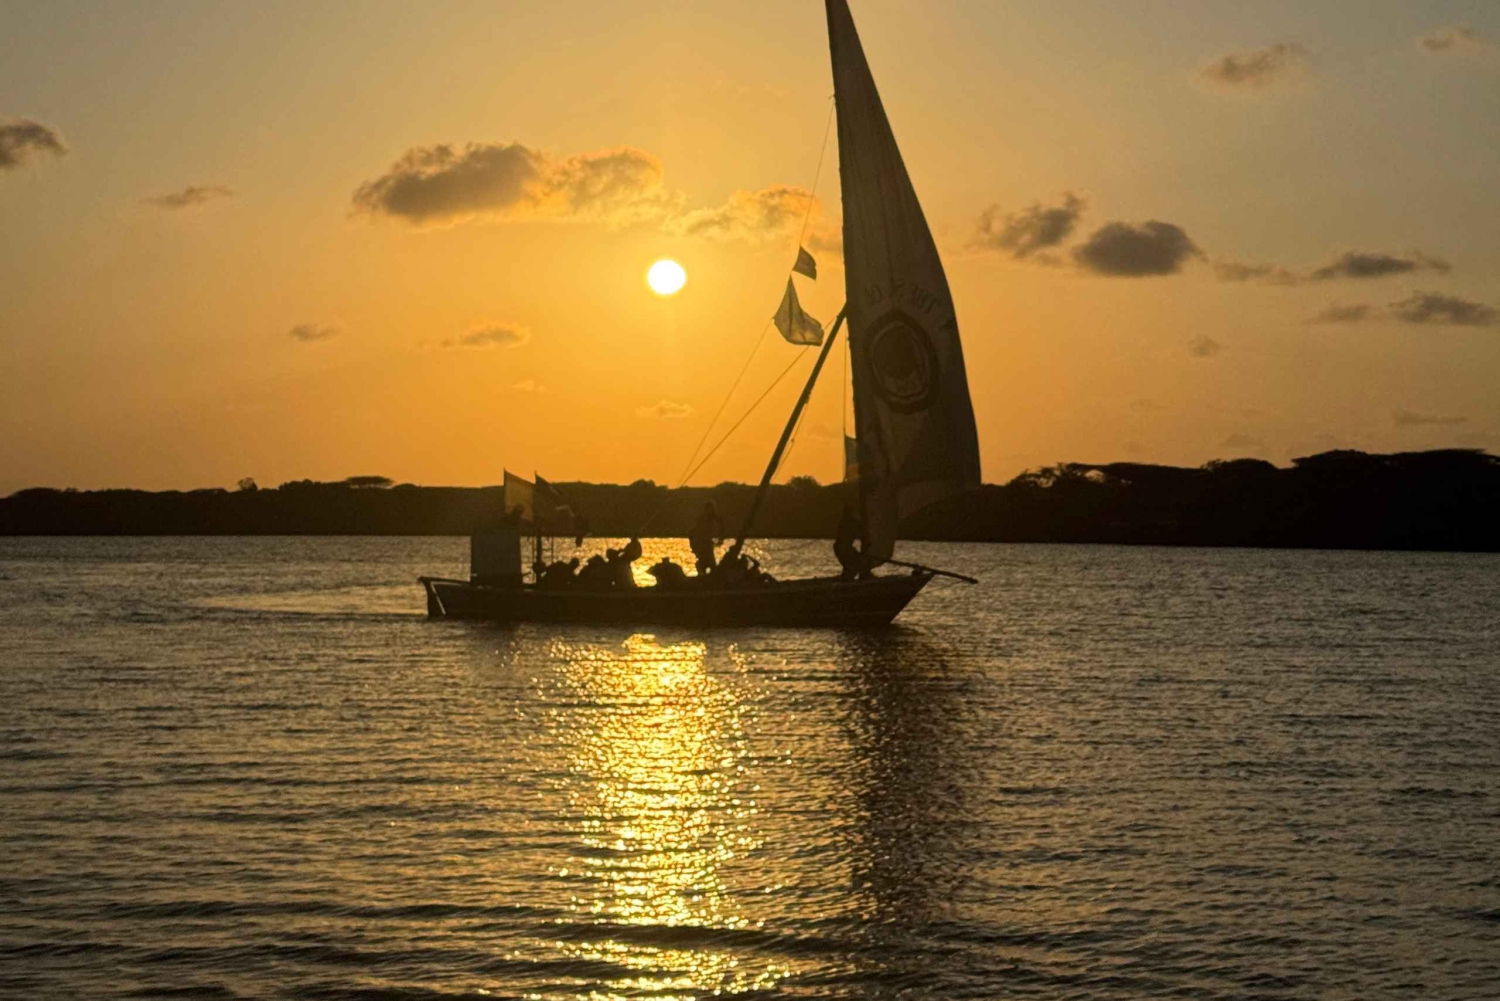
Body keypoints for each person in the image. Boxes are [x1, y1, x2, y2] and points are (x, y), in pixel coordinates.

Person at [688, 501, 723, 575]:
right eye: (711, 509)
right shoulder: (702, 520)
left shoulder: (713, 518)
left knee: (710, 565)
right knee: (706, 564)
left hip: (707, 544)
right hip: (702, 545)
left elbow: (721, 527)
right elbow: (693, 533)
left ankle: (708, 577)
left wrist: (720, 538)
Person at [834, 503, 866, 581]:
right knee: (854, 565)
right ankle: (846, 581)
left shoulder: (850, 521)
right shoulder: (847, 521)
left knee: (852, 565)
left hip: (844, 547)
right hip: (842, 547)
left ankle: (846, 580)